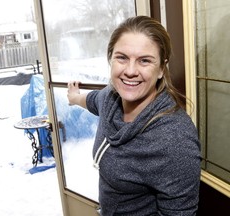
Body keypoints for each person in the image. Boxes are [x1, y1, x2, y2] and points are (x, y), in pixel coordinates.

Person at [67, 16, 201, 216]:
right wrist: (74, 97)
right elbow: (93, 100)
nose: (130, 71)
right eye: (122, 57)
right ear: (110, 60)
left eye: (144, 60)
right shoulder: (109, 98)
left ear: (161, 70)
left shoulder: (175, 139)